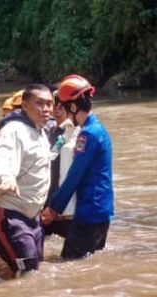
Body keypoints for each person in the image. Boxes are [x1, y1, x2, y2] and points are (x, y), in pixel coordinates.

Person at [0, 84, 54, 274]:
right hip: (7, 211)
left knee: (36, 267)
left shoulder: (40, 131)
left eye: (49, 104)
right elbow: (1, 156)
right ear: (24, 105)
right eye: (39, 103)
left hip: (31, 215)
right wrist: (6, 176)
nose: (45, 109)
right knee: (27, 271)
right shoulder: (13, 130)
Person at [41, 75, 113, 260]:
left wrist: (53, 208)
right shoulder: (98, 129)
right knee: (88, 263)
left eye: (64, 107)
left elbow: (75, 175)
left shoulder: (87, 135)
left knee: (67, 262)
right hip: (100, 210)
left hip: (89, 212)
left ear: (73, 107)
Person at [43, 90, 78, 238]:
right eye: (54, 106)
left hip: (63, 195)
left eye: (61, 106)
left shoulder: (72, 132)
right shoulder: (49, 131)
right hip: (49, 192)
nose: (57, 110)